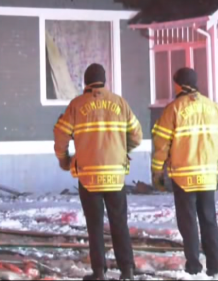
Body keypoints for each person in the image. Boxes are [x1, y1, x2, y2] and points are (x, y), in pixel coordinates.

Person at [53, 64, 142, 281]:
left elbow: (60, 134)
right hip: (115, 176)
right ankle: (127, 270)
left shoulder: (76, 105)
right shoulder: (120, 103)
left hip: (89, 176)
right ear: (104, 80)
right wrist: (122, 150)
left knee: (94, 225)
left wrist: (65, 160)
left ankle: (99, 271)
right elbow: (137, 136)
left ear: (85, 82)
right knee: (119, 222)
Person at [151, 67, 218, 277]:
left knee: (188, 222)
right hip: (207, 176)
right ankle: (214, 266)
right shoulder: (214, 108)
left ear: (179, 84)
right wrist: (215, 166)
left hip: (183, 176)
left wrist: (157, 172)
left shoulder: (173, 109)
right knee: (209, 220)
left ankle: (194, 266)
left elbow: (161, 144)